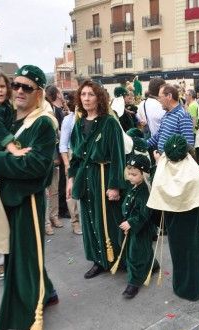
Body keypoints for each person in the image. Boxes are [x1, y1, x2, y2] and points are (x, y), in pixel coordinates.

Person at [0, 65, 60, 330]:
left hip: (29, 201)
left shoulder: (43, 122)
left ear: (39, 93)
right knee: (22, 256)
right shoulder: (10, 118)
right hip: (6, 199)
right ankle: (48, 293)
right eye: (16, 85)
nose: (19, 91)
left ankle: (28, 316)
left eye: (27, 87)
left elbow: (35, 167)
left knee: (23, 259)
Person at [67, 80, 126, 279]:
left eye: (90, 94)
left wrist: (115, 185)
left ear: (99, 97)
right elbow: (75, 156)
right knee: (90, 219)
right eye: (83, 94)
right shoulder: (78, 124)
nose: (86, 98)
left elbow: (118, 156)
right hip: (86, 177)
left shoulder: (109, 122)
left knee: (109, 220)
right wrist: (70, 179)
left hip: (104, 176)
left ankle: (119, 257)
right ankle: (98, 260)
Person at [147, 134, 199, 301]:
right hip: (196, 225)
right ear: (188, 154)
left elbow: (155, 205)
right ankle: (195, 289)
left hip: (174, 226)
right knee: (195, 255)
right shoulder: (197, 174)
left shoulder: (162, 173)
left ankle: (180, 288)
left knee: (178, 255)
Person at [119, 154, 157, 299]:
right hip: (131, 226)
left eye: (134, 174)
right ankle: (153, 264)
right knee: (137, 249)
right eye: (129, 173)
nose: (130, 177)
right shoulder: (132, 185)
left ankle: (134, 282)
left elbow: (144, 213)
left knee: (136, 252)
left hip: (141, 228)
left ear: (144, 174)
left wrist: (131, 222)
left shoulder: (145, 191)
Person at [59, 93, 82, 235]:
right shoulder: (68, 119)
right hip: (72, 155)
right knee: (71, 191)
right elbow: (63, 145)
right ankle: (75, 222)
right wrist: (67, 165)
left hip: (87, 157)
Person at [147, 84, 194, 153]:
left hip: (172, 162)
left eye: (160, 97)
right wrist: (143, 144)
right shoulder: (166, 114)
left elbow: (188, 145)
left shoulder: (183, 116)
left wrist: (169, 158)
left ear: (169, 96)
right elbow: (158, 135)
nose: (159, 100)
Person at [44, 85, 64, 235]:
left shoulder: (55, 111)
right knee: (44, 192)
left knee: (54, 190)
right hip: (42, 159)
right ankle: (45, 223)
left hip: (54, 156)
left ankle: (54, 216)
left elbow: (58, 135)